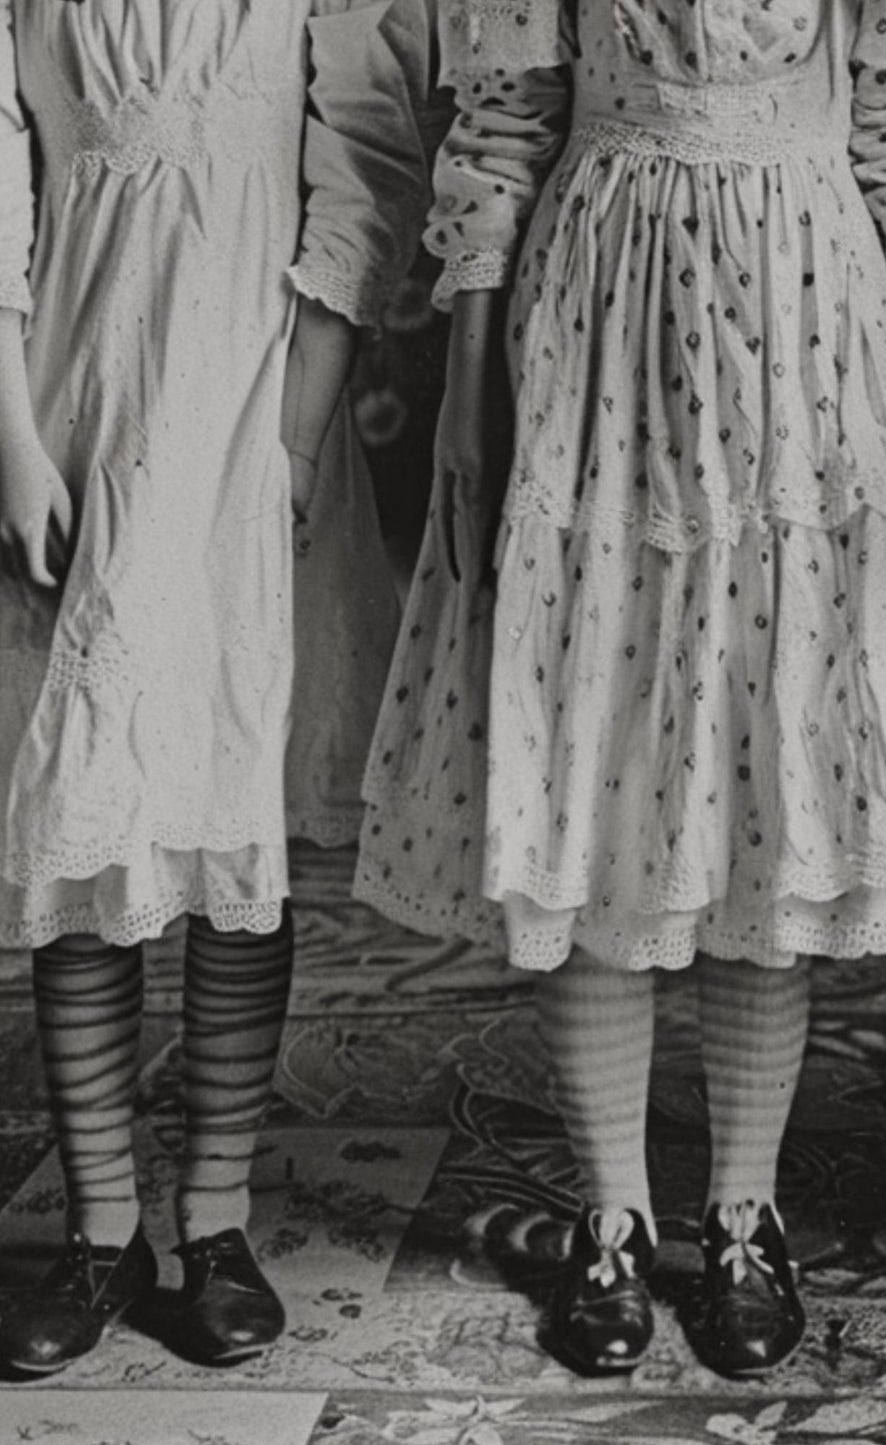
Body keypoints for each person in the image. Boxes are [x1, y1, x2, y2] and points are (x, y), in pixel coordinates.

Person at [357, 0, 886, 1380]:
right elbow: (500, 121)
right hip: (598, 325)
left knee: (757, 765)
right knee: (594, 751)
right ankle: (610, 1211)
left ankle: (740, 1209)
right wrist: (473, 382)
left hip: (803, 323)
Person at [0, 0, 427, 1374]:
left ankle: (219, 1215)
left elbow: (362, 163)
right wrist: (10, 438)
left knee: (230, 807)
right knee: (89, 813)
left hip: (253, 400)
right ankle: (101, 1223)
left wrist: (298, 431)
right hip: (68, 393)